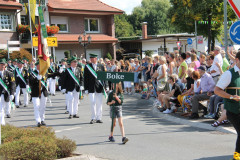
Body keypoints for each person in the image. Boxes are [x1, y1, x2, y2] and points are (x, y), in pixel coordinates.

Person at [214, 51, 240, 160]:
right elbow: (217, 90)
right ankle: (236, 157)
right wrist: (231, 96)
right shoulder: (229, 74)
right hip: (233, 110)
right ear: (237, 60)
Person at [84, 53, 105, 124]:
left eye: (92, 58)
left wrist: (107, 85)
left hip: (99, 87)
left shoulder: (101, 66)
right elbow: (85, 78)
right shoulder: (87, 67)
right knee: (92, 103)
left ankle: (99, 118)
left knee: (99, 103)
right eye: (90, 58)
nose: (91, 60)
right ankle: (93, 118)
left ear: (96, 59)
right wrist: (86, 88)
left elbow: (104, 77)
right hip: (91, 87)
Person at [29, 61, 49, 127]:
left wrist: (59, 73)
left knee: (43, 107)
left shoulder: (44, 72)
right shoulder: (32, 73)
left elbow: (50, 75)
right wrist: (37, 79)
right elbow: (30, 82)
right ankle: (38, 121)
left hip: (43, 92)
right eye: (40, 65)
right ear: (37, 66)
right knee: (36, 107)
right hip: (35, 92)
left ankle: (42, 119)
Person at [0, 58, 15, 123]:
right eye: (1, 65)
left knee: (7, 105)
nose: (2, 66)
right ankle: (2, 122)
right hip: (0, 94)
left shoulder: (9, 73)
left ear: (5, 65)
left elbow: (12, 84)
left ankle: (7, 113)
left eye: (3, 65)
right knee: (1, 108)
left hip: (6, 93)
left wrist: (12, 93)